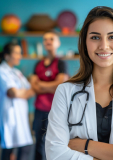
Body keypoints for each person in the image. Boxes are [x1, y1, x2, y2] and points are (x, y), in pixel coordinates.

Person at [45, 6, 113, 160]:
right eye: (95, 37)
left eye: (112, 37)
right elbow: (55, 154)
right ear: (85, 43)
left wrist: (86, 146)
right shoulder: (65, 92)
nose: (104, 46)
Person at [30, 31, 69, 160]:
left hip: (56, 110)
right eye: (45, 39)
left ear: (58, 43)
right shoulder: (38, 64)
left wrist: (41, 84)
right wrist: (51, 85)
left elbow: (60, 86)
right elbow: (34, 87)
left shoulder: (61, 63)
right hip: (39, 110)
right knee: (38, 142)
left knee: (54, 143)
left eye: (51, 39)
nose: (48, 41)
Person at [0, 42, 35, 160]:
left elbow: (32, 90)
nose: (20, 56)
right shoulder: (2, 71)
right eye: (17, 53)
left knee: (25, 147)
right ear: (7, 56)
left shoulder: (17, 72)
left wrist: (20, 93)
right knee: (9, 149)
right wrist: (20, 93)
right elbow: (13, 92)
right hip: (10, 116)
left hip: (21, 116)